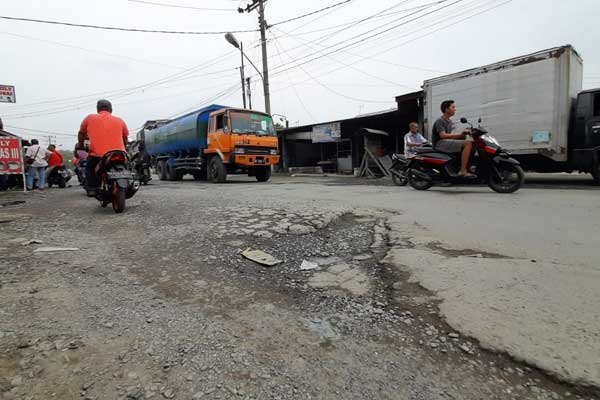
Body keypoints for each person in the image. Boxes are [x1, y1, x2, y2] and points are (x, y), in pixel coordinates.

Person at [78, 99, 129, 196]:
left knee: (89, 168)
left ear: (98, 109)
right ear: (111, 109)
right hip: (119, 153)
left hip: (97, 155)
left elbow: (81, 133)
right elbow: (125, 137)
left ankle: (93, 188)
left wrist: (81, 146)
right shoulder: (120, 120)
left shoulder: (90, 118)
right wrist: (124, 148)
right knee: (128, 167)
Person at [432, 100, 474, 177]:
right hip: (439, 144)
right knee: (468, 143)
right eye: (453, 107)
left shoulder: (450, 121)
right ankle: (463, 170)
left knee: (468, 140)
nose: (455, 109)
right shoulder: (440, 121)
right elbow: (443, 136)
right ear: (446, 109)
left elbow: (451, 135)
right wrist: (460, 135)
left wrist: (463, 134)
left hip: (445, 142)